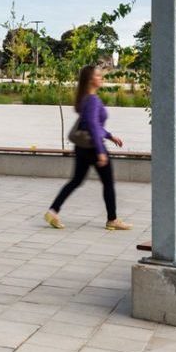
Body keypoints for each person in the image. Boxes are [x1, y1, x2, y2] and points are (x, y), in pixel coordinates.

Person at [45, 65, 132, 231]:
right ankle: (112, 219)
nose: (101, 78)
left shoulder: (85, 98)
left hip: (82, 147)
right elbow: (92, 126)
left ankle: (53, 211)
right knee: (108, 182)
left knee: (76, 180)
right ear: (91, 80)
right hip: (93, 147)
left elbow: (91, 125)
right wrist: (101, 152)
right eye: (99, 76)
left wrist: (110, 136)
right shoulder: (92, 100)